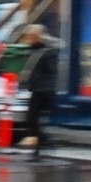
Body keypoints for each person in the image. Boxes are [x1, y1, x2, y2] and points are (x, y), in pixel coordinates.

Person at [18, 23, 60, 159]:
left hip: (45, 89)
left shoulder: (48, 51)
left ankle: (43, 143)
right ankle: (41, 145)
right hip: (37, 88)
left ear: (37, 37)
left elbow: (52, 71)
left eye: (30, 37)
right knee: (32, 119)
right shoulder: (36, 49)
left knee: (33, 118)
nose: (27, 40)